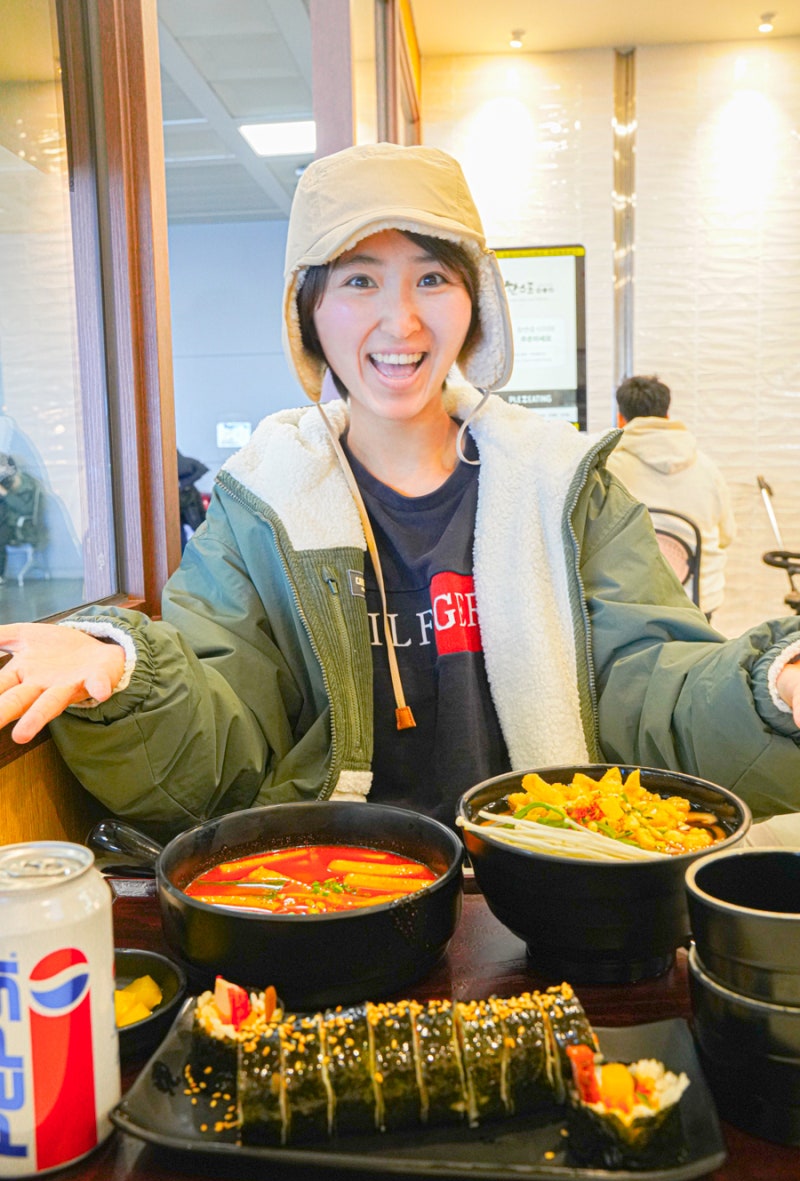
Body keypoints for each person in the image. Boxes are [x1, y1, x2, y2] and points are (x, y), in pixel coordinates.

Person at [0, 142, 798, 836]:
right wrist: (120, 666)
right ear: (309, 311)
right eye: (358, 281)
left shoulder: (566, 486)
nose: (401, 322)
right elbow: (226, 747)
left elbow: (652, 687)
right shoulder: (257, 512)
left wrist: (772, 690)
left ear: (475, 303)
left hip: (543, 898)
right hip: (342, 902)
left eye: (433, 278)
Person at [607, 375, 736, 619]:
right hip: (698, 600)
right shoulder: (706, 467)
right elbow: (727, 535)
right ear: (666, 416)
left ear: (621, 418)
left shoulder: (609, 468)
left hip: (635, 602)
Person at [0, 454, 45, 583]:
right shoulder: (6, 482)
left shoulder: (26, 485)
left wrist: (5, 493)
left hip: (19, 526)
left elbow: (26, 509)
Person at [177, 449, 208, 550]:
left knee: (200, 529)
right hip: (181, 498)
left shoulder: (181, 463)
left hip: (187, 498)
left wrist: (182, 484)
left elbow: (202, 468)